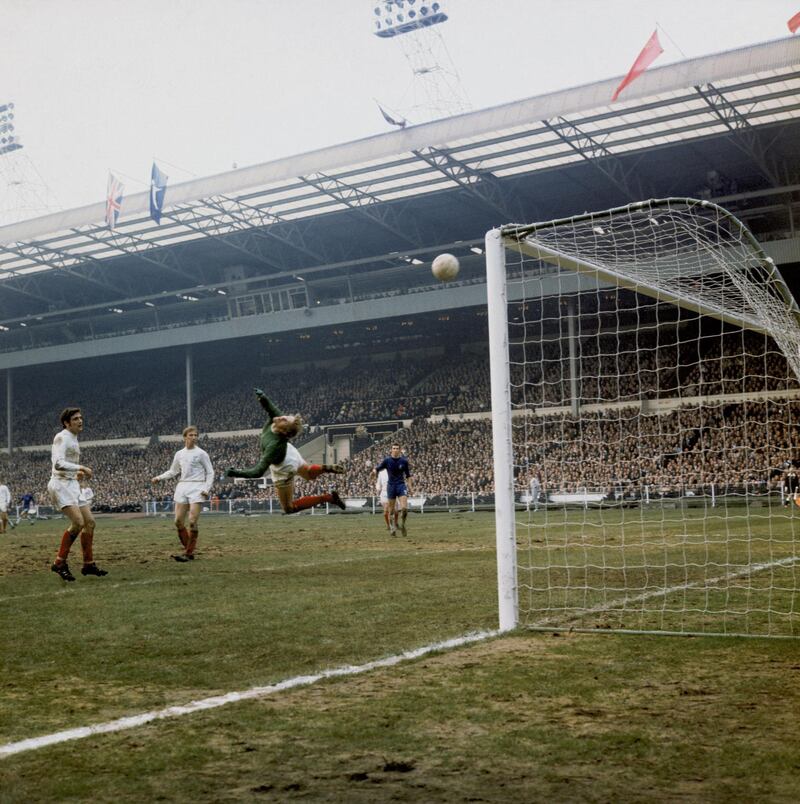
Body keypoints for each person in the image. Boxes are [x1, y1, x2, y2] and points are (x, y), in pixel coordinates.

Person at [225, 388, 346, 513]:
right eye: (286, 416)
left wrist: (236, 473)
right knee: (308, 474)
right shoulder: (279, 422)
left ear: (283, 431)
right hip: (291, 453)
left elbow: (257, 472)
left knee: (289, 508)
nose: (282, 416)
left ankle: (327, 498)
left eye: (284, 419)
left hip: (284, 467)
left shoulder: (274, 446)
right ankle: (324, 468)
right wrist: (263, 397)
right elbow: (270, 407)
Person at [48, 407, 107, 582]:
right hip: (60, 485)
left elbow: (67, 465)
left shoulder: (73, 438)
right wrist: (80, 468)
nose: (80, 421)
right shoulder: (61, 437)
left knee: (90, 523)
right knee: (78, 522)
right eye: (75, 419)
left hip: (72, 484)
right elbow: (58, 464)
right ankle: (59, 563)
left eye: (81, 417)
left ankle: (88, 564)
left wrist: (76, 474)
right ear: (67, 423)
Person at [151, 425, 214, 562]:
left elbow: (210, 472)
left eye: (196, 435)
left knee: (192, 521)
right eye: (191, 435)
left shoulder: (201, 453)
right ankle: (189, 551)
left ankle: (188, 552)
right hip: (183, 486)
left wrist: (206, 488)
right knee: (178, 521)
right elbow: (173, 471)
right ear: (185, 437)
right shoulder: (179, 454)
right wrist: (159, 478)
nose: (194, 437)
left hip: (197, 487)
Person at [372, 443, 412, 536]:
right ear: (391, 450)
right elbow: (377, 468)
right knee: (391, 510)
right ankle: (392, 528)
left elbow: (408, 475)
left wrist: (411, 487)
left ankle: (403, 525)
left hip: (401, 485)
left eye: (397, 448)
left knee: (404, 508)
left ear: (399, 450)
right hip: (391, 486)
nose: (395, 450)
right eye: (393, 448)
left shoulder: (404, 461)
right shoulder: (387, 460)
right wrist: (373, 472)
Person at [375, 467, 398, 532]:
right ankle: (388, 525)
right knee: (385, 512)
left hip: (393, 491)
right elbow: (378, 483)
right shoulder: (381, 473)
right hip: (384, 493)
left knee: (395, 510)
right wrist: (378, 489)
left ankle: (395, 524)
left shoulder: (394, 471)